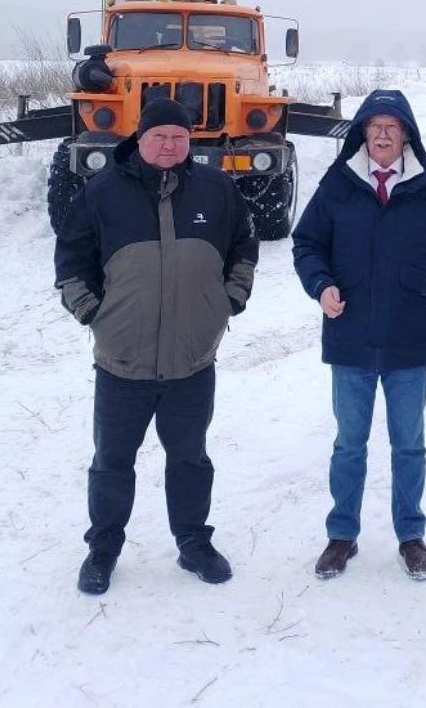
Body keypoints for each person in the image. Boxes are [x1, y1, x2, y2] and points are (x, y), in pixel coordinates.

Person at [54, 97, 258, 596]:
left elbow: (244, 247)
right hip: (123, 362)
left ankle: (193, 543)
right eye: (159, 136)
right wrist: (92, 314)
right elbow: (70, 258)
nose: (169, 145)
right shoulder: (102, 192)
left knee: (190, 458)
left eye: (179, 137)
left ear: (190, 142)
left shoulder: (216, 188)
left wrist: (228, 300)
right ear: (139, 139)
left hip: (192, 360)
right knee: (112, 461)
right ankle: (103, 549)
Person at [293, 89, 426, 582]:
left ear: (407, 134)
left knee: (408, 444)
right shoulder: (338, 185)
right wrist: (321, 285)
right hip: (350, 337)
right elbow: (306, 243)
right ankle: (342, 536)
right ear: (363, 134)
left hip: (410, 340)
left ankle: (410, 536)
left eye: (393, 127)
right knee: (349, 444)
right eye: (375, 127)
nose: (384, 135)